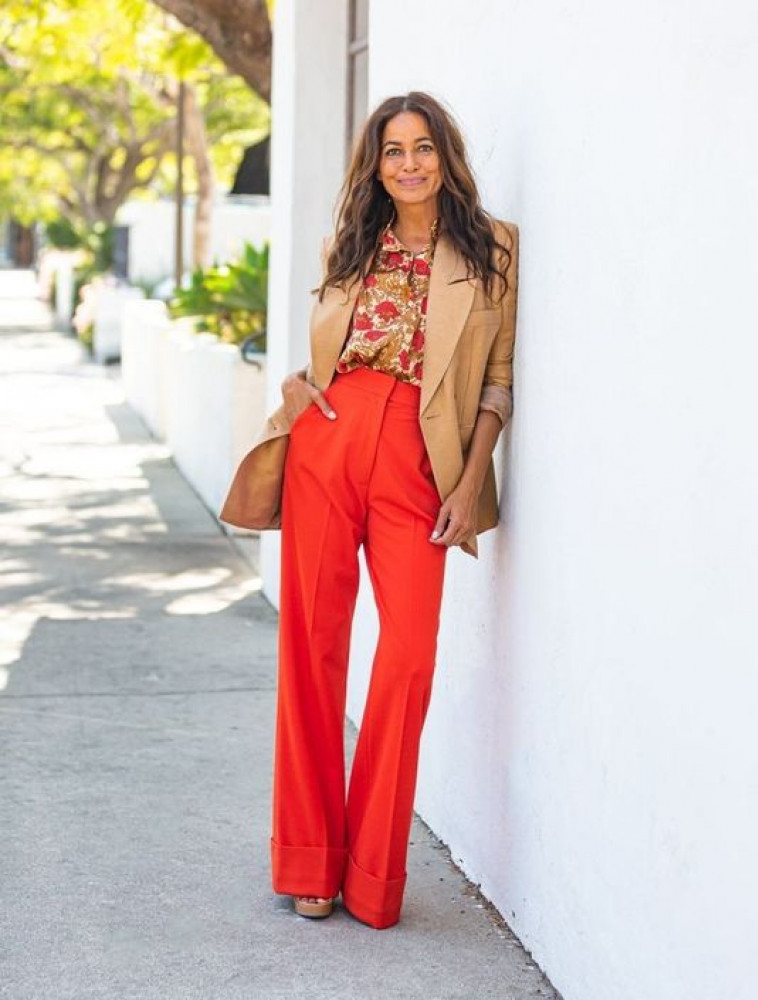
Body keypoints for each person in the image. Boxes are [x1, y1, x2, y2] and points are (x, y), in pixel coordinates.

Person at [223, 91, 519, 929]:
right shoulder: (350, 245)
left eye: (423, 148)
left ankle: (373, 871)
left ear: (445, 156)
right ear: (376, 165)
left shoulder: (493, 248)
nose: (410, 163)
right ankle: (311, 860)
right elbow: (329, 349)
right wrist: (295, 388)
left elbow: (496, 381)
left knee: (410, 655)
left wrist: (468, 484)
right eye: (394, 151)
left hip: (423, 464)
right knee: (311, 647)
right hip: (330, 438)